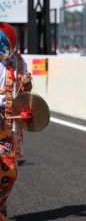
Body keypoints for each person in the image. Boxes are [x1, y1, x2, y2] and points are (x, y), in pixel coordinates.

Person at [0, 22, 32, 220]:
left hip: (9, 121)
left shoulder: (20, 62)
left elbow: (24, 94)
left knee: (8, 172)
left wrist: (27, 87)